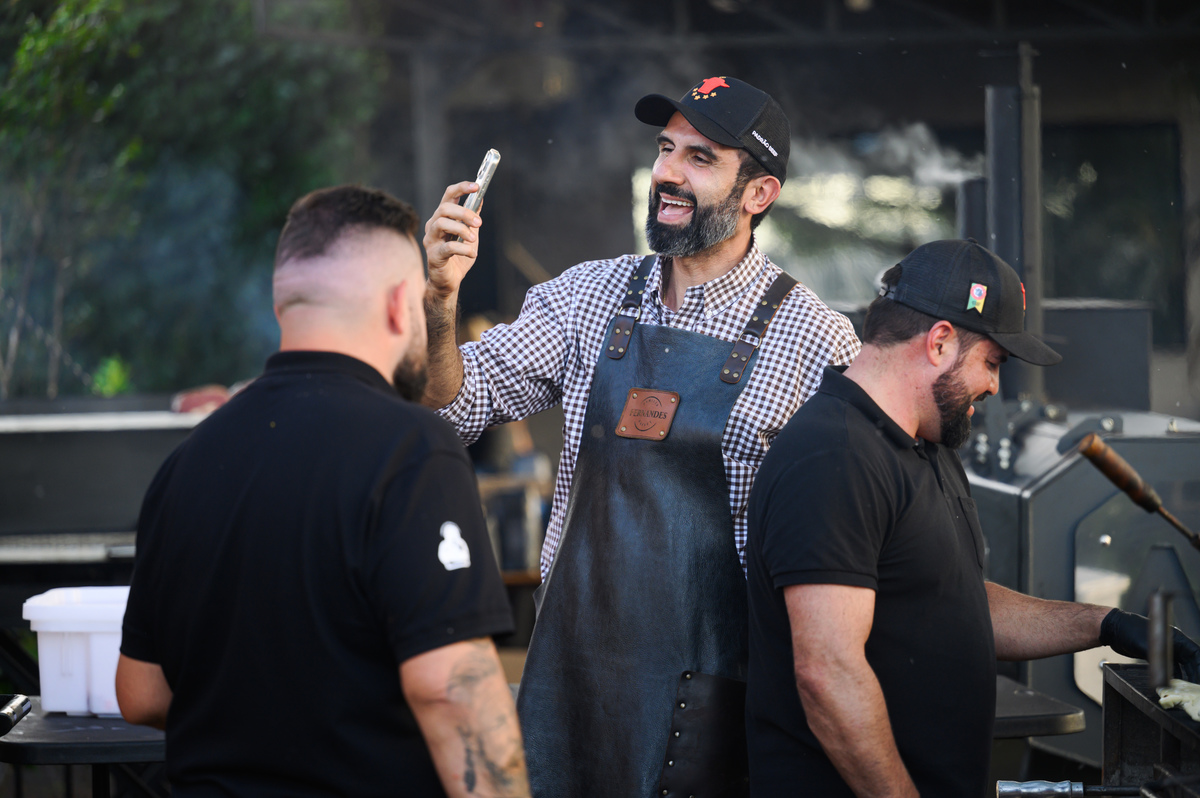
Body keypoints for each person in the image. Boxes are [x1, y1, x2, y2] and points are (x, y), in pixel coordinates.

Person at [421, 77, 861, 796]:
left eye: (700, 157)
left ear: (759, 193)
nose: (668, 173)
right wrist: (441, 300)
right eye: (665, 149)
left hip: (719, 704)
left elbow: (845, 551)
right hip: (569, 682)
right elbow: (455, 407)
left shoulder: (817, 343)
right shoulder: (585, 297)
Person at [744, 238, 1200, 798]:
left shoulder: (926, 445)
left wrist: (1108, 625)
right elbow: (827, 673)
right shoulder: (833, 456)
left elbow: (953, 600)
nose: (994, 386)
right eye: (992, 362)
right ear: (939, 341)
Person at [115, 185, 530, 798]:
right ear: (401, 306)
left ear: (284, 305)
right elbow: (451, 690)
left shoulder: (186, 463)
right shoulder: (413, 449)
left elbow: (141, 692)